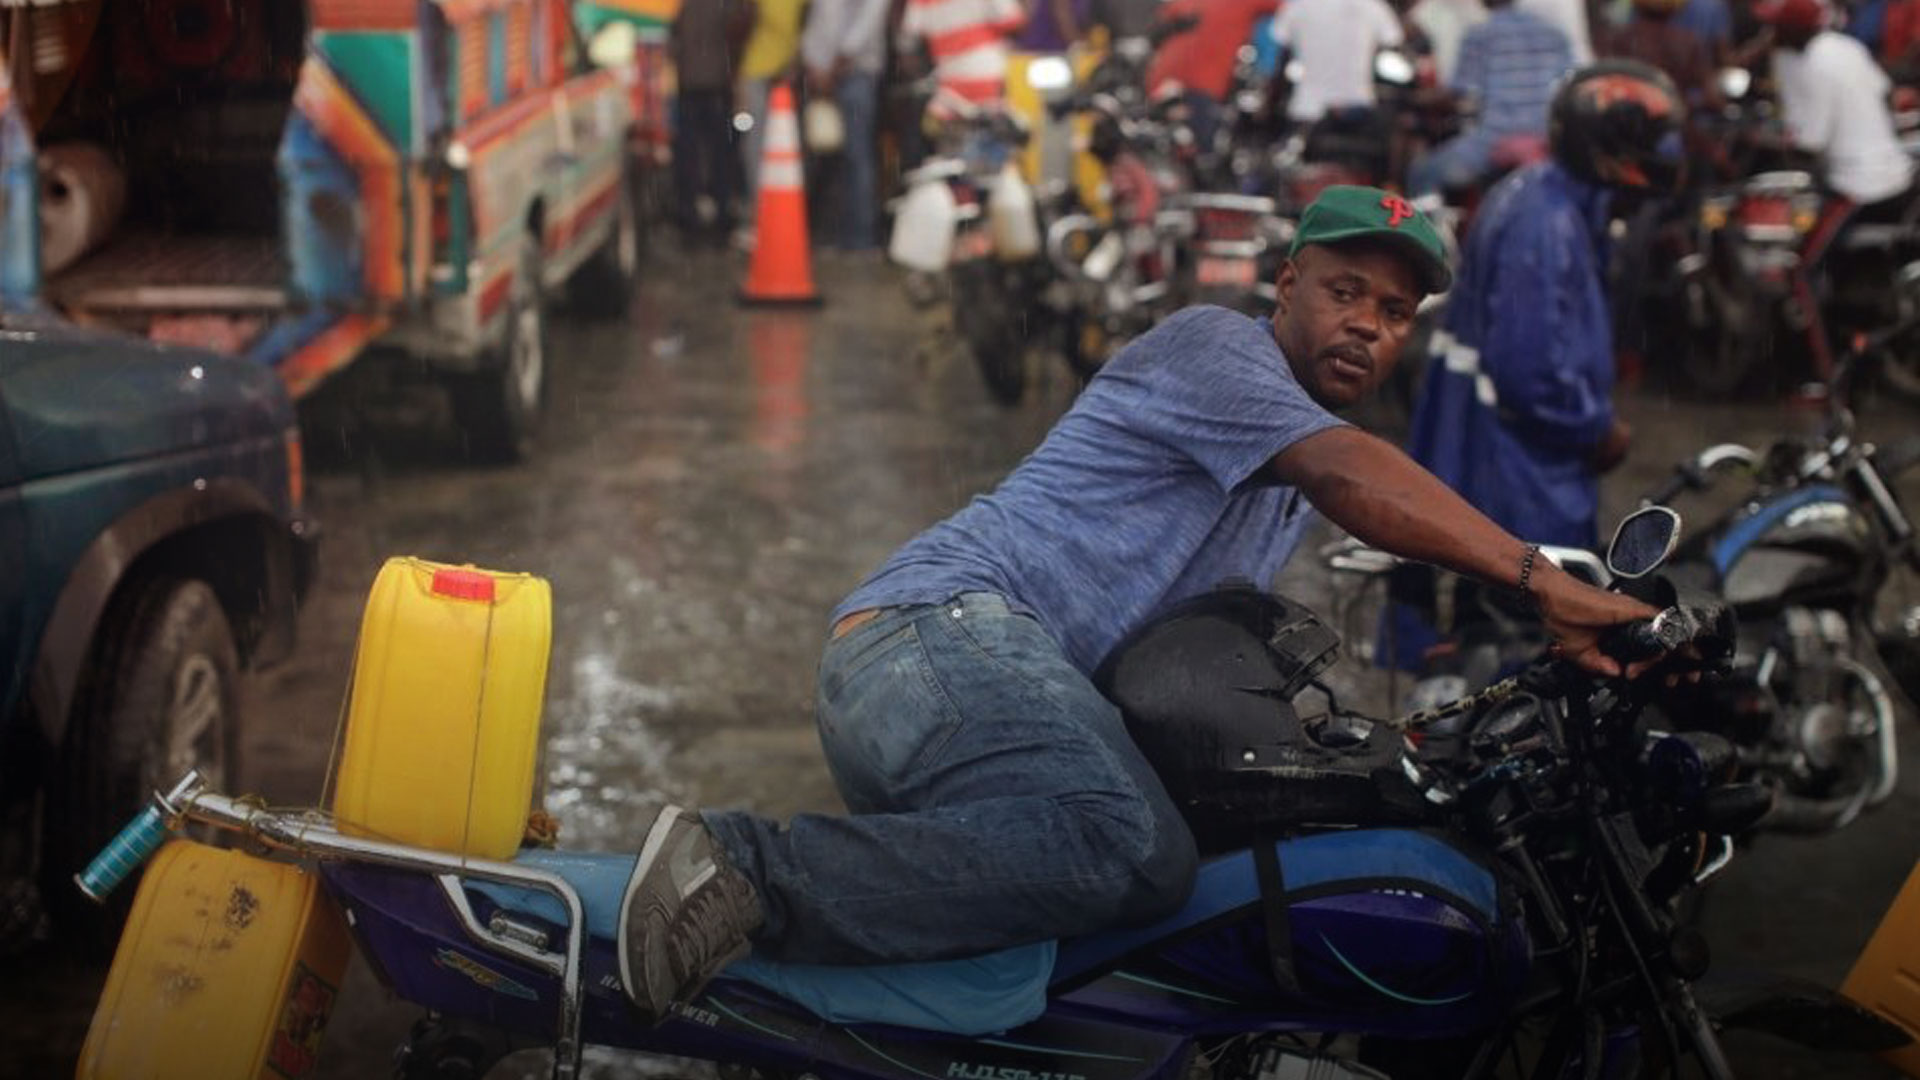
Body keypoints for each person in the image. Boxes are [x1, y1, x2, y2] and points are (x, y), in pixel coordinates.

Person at [611, 184, 1662, 1023]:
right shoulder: (1219, 352)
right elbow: (1360, 475)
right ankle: (740, 862)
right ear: (1286, 283)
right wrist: (1538, 580)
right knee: (1130, 849)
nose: (1369, 329)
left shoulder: (1280, 479)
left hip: (990, 693)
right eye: (1346, 292)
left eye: (1394, 314)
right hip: (936, 633)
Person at [1388, 61, 1682, 668]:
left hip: (1506, 452)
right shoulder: (1542, 223)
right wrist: (1596, 429)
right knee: (1523, 646)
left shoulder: (1550, 198)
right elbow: (1529, 372)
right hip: (1515, 466)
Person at [1750, 0, 1916, 376]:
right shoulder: (1847, 47)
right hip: (1895, 172)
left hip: (1858, 183)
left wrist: (1761, 136)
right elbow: (1883, 92)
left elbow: (1810, 138)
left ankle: (1823, 377)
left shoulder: (1806, 64)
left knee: (1801, 271)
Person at [1407, 0, 1573, 196]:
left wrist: (1415, 99)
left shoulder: (1481, 33)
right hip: (1544, 139)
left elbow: (1459, 92)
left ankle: (1427, 225)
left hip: (1494, 139)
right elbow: (1568, 83)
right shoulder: (1553, 32)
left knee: (1422, 174)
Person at [804, 0, 893, 252]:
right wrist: (813, 64)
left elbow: (866, 24)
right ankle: (833, 233)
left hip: (856, 74)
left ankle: (859, 238)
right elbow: (818, 21)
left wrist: (833, 67)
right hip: (823, 77)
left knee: (857, 158)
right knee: (829, 156)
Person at [671, 0, 753, 245]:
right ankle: (718, 216)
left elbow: (673, 42)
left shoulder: (681, 7)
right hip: (713, 84)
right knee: (718, 155)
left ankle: (693, 218)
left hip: (693, 84)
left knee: (694, 154)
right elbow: (738, 30)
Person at [738, 0, 809, 249]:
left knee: (764, 149)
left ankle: (770, 218)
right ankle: (767, 218)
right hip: (769, 70)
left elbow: (742, 22)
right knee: (770, 148)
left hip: (769, 70)